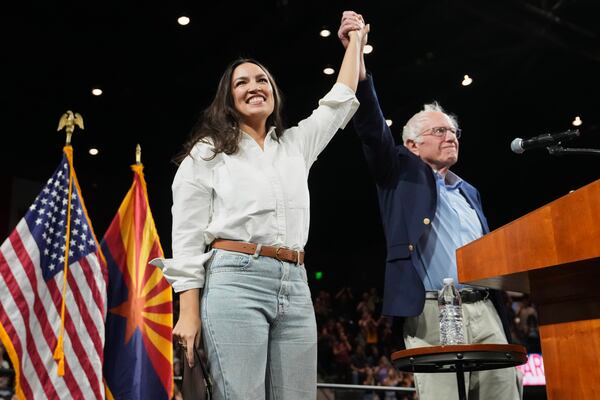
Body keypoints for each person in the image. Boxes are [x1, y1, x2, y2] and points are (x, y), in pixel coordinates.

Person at [151, 18, 369, 400]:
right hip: (234, 282)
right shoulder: (206, 153)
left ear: (274, 93)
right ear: (228, 99)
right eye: (242, 82)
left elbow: (340, 99)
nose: (254, 86)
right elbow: (186, 238)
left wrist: (355, 39)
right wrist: (189, 312)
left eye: (262, 80)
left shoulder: (296, 145)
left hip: (296, 285)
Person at [338, 11, 521, 400]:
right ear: (411, 144)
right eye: (439, 131)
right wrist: (357, 50)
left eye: (453, 132)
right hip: (433, 313)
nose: (450, 137)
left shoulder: (469, 191)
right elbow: (371, 125)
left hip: (486, 309)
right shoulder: (398, 175)